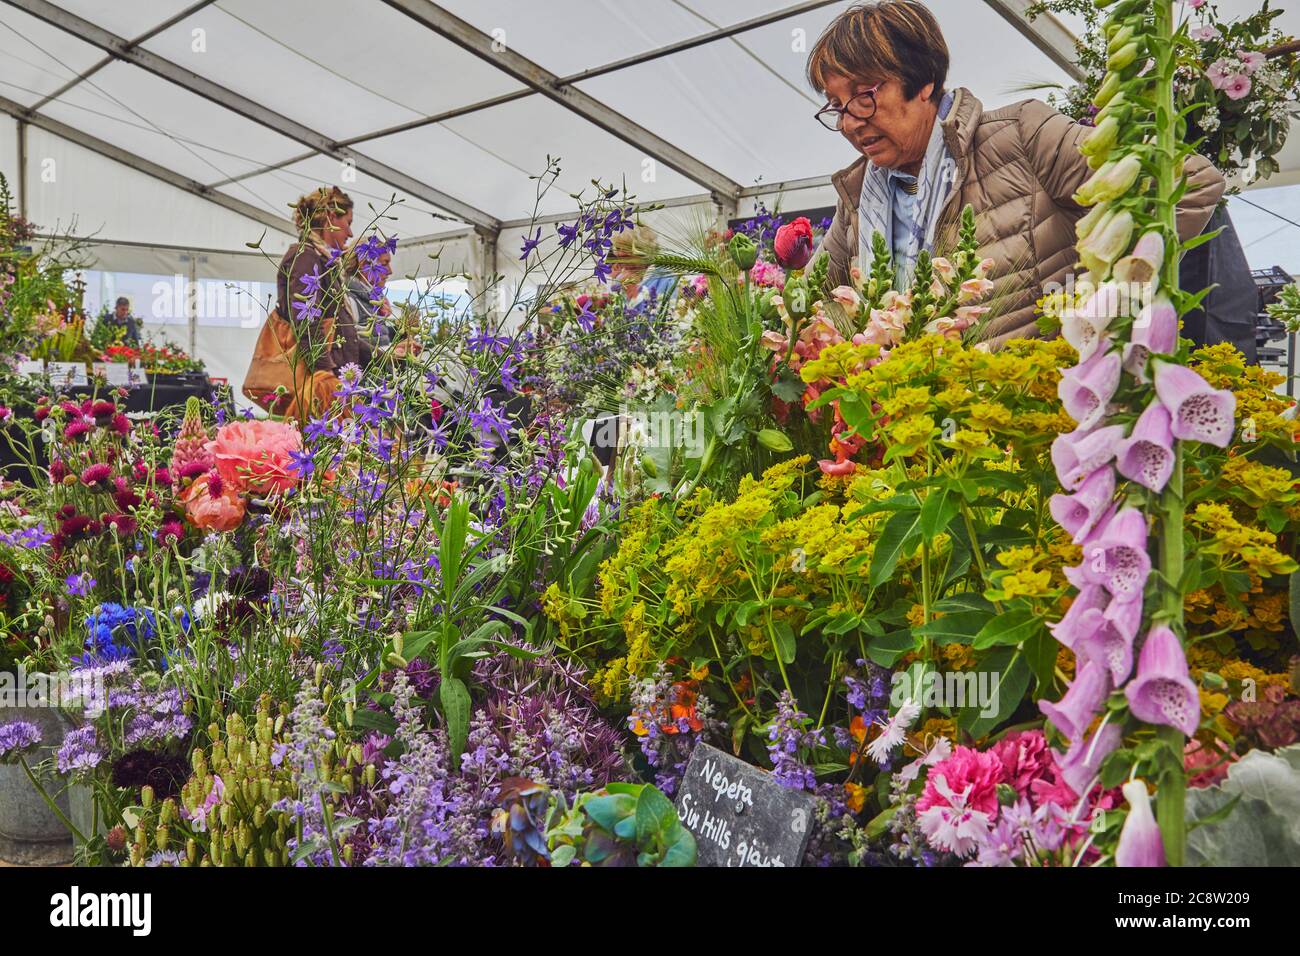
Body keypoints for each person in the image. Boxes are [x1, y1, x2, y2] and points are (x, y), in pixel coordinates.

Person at [808, 1, 1227, 347]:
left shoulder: (1022, 136)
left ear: (924, 81)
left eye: (863, 96)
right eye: (835, 105)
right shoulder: (861, 194)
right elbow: (808, 302)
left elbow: (1189, 182)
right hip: (909, 433)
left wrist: (1094, 316)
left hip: (1028, 424)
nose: (849, 123)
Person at [276, 186, 355, 417]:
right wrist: (325, 375)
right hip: (320, 386)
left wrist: (390, 357)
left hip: (330, 378)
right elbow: (307, 322)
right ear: (331, 217)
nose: (350, 233)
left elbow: (342, 330)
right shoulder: (306, 256)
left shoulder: (322, 259)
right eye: (348, 222)